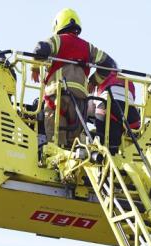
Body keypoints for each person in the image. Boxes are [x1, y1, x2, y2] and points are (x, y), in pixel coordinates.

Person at [31, 8, 116, 148]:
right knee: (74, 148)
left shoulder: (57, 41)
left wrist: (34, 68)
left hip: (57, 98)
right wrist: (95, 81)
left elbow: (40, 49)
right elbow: (109, 64)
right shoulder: (88, 47)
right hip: (80, 102)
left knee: (56, 145)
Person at [88, 70, 141, 154]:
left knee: (101, 137)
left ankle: (99, 152)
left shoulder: (99, 77)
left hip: (106, 105)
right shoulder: (127, 81)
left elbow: (90, 108)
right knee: (116, 134)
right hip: (131, 113)